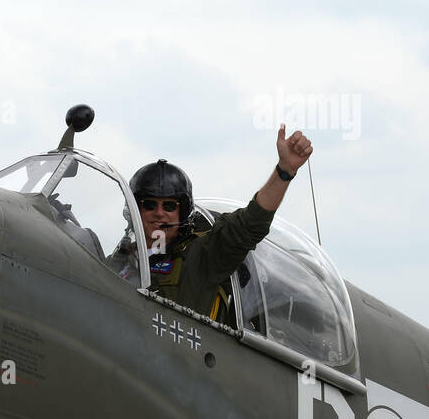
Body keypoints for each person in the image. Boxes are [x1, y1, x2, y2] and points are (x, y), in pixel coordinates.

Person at [107, 124, 313, 323]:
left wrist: (284, 171)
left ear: (183, 211)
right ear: (136, 210)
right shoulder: (118, 261)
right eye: (149, 205)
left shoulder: (202, 256)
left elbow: (250, 224)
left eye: (169, 206)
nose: (159, 213)